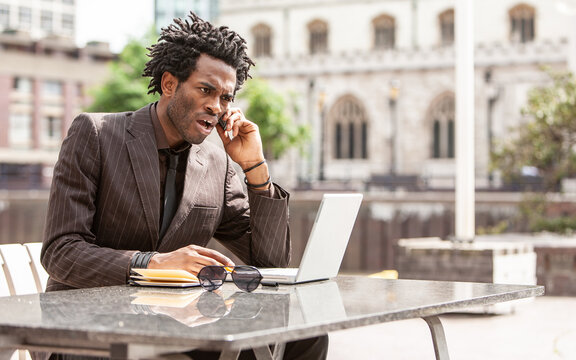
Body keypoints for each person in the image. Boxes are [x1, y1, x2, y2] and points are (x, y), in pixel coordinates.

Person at [39, 11, 327, 360]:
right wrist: (150, 263)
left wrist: (255, 168)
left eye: (226, 97)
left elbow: (271, 261)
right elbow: (60, 252)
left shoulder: (217, 161)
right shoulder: (96, 134)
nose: (216, 106)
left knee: (306, 334)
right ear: (169, 84)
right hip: (86, 330)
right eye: (206, 90)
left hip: (177, 324)